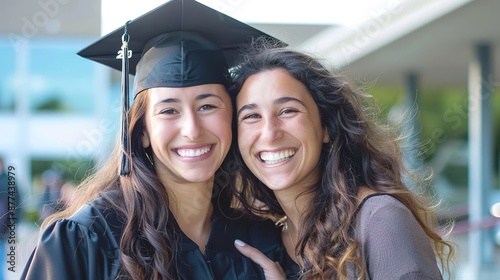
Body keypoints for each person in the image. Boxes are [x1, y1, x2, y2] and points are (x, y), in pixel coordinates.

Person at [21, 1, 291, 279]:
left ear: (232, 118)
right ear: (143, 131)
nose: (192, 129)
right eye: (169, 111)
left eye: (207, 106)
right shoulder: (86, 240)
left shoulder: (263, 242)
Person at [231, 41, 455, 279]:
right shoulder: (271, 242)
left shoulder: (379, 221)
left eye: (288, 111)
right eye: (252, 116)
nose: (269, 133)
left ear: (326, 126)